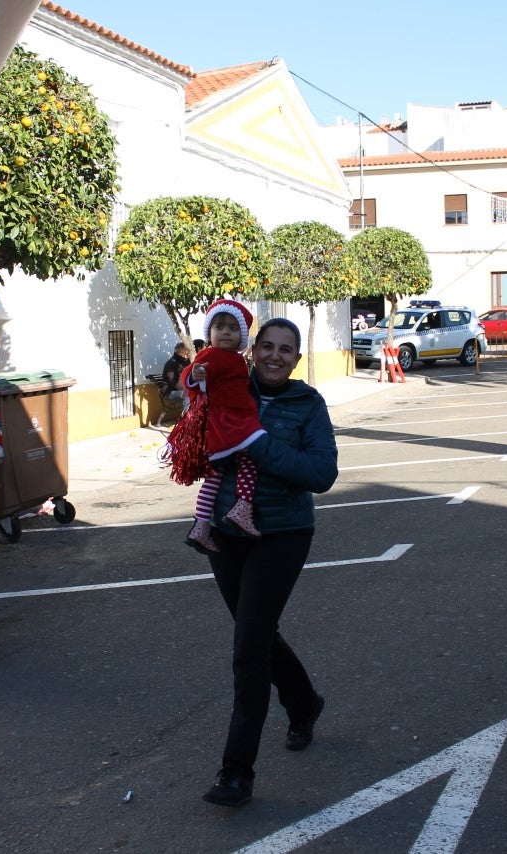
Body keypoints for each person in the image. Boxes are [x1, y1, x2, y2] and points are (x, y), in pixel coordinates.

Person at [199, 316, 338, 808]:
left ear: (296, 359)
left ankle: (236, 772)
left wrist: (260, 446)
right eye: (267, 347)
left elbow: (322, 473)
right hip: (226, 531)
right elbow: (200, 448)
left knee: (249, 649)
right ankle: (304, 703)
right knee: (255, 634)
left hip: (283, 534)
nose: (275, 356)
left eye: (286, 350)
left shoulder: (308, 403)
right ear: (253, 350)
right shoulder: (228, 388)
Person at [166, 300, 266, 553]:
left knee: (214, 475)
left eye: (233, 328)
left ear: (241, 335)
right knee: (252, 459)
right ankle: (243, 506)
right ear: (209, 332)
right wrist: (195, 374)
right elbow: (193, 370)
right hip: (233, 423)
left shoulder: (234, 358)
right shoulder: (212, 355)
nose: (225, 332)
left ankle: (201, 525)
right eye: (219, 326)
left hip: (221, 426)